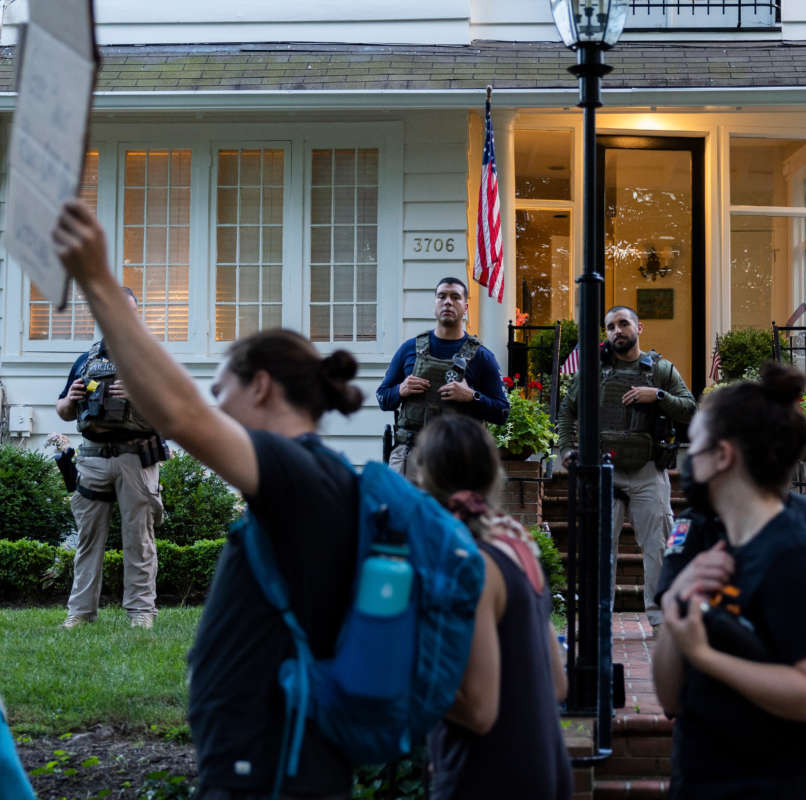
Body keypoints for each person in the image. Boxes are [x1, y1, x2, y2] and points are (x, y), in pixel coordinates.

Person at [52, 198, 362, 799]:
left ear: (263, 386)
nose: (216, 405)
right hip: (262, 754)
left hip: (270, 765)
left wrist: (97, 281)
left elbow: (181, 415)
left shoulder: (293, 471)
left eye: (224, 389)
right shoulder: (308, 477)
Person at [652, 361, 806, 798]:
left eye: (695, 445)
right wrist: (677, 604)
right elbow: (670, 698)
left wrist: (706, 656)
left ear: (723, 456)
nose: (688, 457)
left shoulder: (794, 556)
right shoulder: (716, 550)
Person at [412, 414, 571, 800]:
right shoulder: (518, 546)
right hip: (545, 770)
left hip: (487, 776)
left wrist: (399, 669)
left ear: (424, 478)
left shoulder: (472, 564)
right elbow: (559, 684)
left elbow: (479, 712)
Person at [557, 305, 696, 626]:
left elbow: (691, 409)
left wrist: (658, 395)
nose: (617, 331)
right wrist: (566, 448)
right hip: (604, 472)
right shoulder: (592, 371)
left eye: (623, 324)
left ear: (639, 327)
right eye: (610, 327)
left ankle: (660, 619)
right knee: (601, 547)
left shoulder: (661, 370)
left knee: (658, 547)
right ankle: (599, 617)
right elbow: (567, 409)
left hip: (648, 471)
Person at [54, 286, 166, 630]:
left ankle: (141, 613)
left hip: (136, 459)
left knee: (139, 540)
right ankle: (80, 613)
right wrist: (71, 399)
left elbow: (173, 414)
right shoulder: (86, 361)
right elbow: (61, 410)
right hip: (93, 459)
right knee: (88, 539)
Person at [376, 277, 509, 476]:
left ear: (465, 307)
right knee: (401, 506)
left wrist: (472, 396)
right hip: (411, 454)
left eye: (455, 297)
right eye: (442, 296)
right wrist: (400, 390)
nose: (448, 302)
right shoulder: (409, 349)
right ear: (435, 304)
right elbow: (382, 398)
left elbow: (502, 412)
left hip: (460, 457)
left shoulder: (482, 357)